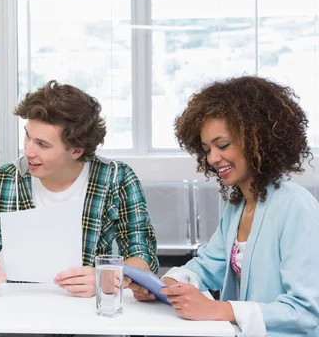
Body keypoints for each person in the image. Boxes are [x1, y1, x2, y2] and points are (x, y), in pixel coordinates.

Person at [130, 76, 319, 336]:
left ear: (258, 140)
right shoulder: (237, 206)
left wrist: (219, 309)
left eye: (223, 145)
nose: (213, 158)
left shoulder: (295, 206)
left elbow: (306, 312)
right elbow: (209, 264)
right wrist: (165, 285)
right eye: (207, 149)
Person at [0, 80, 158, 296]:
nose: (28, 151)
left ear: (76, 150)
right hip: (20, 316)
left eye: (42, 144)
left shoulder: (117, 179)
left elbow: (143, 257)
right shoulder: (4, 180)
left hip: (89, 316)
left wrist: (103, 277)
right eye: (28, 135)